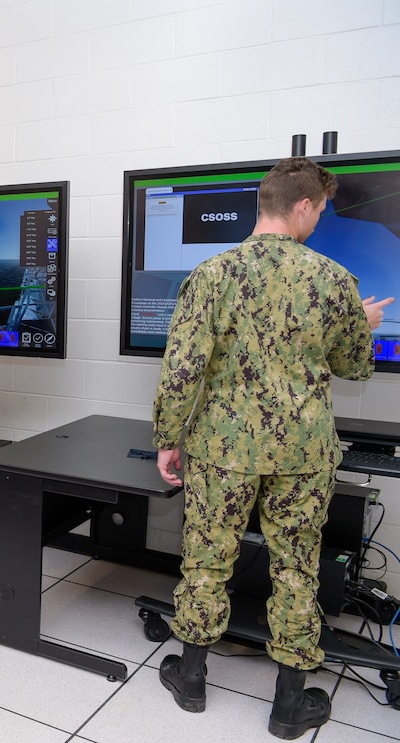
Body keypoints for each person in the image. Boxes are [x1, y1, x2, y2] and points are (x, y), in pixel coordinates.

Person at [152, 157, 396, 739]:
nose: (321, 220)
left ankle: (190, 679)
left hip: (221, 448)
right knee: (296, 567)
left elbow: (181, 371)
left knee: (207, 560)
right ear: (304, 205)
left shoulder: (211, 274)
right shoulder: (336, 281)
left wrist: (167, 439)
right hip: (302, 456)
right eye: (321, 209)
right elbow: (356, 368)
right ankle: (289, 706)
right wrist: (359, 324)